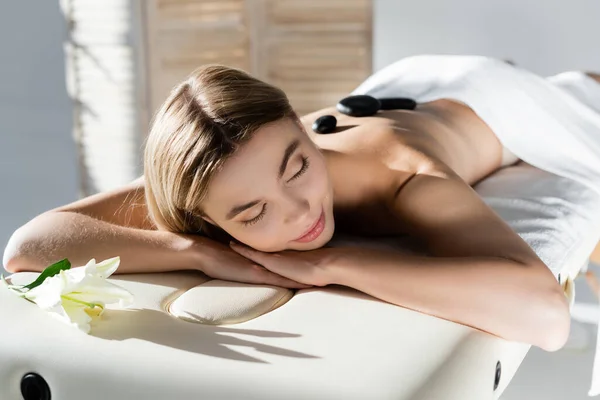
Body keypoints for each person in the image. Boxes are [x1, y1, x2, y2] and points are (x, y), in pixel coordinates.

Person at [6, 56, 599, 352]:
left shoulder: (404, 177)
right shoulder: (218, 173)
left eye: (298, 165)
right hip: (403, 94)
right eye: (252, 214)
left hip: (493, 102)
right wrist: (194, 252)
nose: (298, 212)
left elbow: (545, 318)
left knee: (587, 95)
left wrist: (330, 266)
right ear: (207, 213)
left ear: (297, 124)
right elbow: (28, 247)